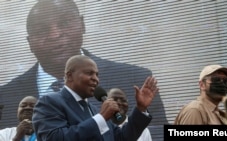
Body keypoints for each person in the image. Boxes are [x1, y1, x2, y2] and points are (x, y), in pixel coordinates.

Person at [0, 0, 167, 129]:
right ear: (30, 43)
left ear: (82, 25)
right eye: (42, 30)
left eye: (64, 23)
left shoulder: (135, 81)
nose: (55, 35)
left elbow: (157, 135)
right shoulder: (5, 97)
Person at [32, 55, 158, 141]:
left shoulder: (94, 110)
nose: (96, 79)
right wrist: (100, 118)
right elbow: (55, 138)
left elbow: (122, 138)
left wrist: (141, 108)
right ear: (70, 76)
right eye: (89, 73)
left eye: (97, 75)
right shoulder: (49, 102)